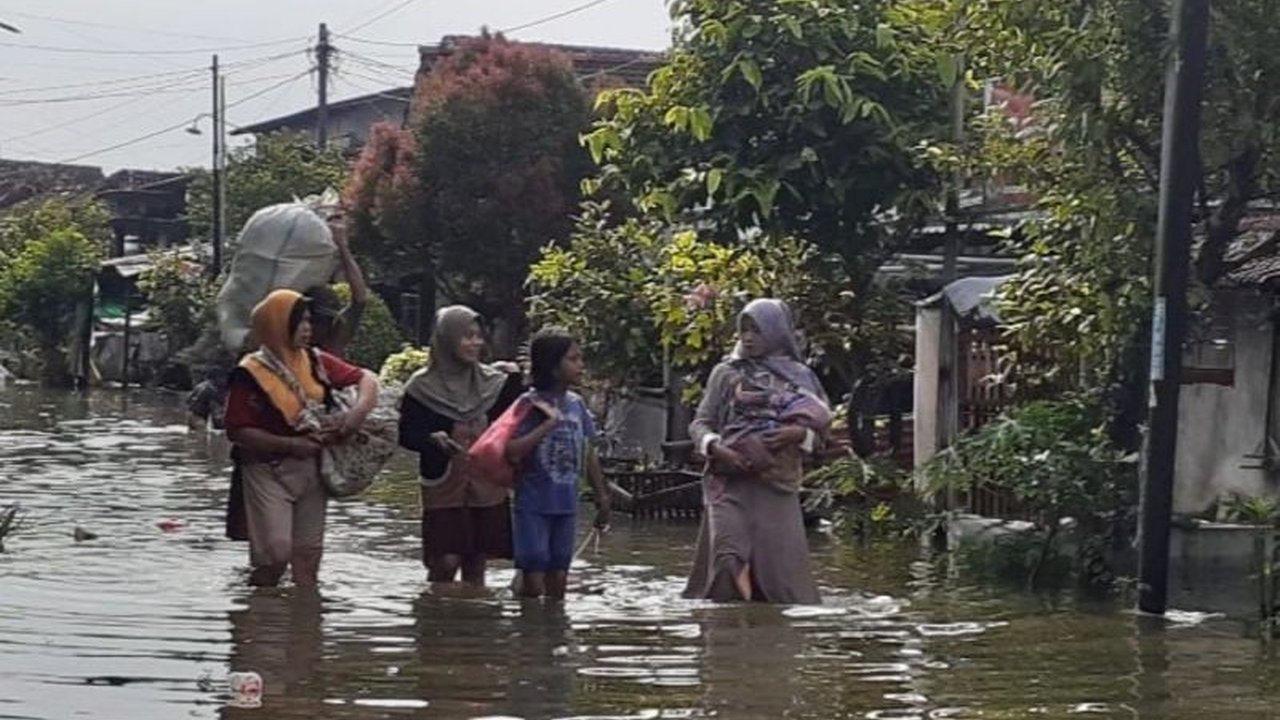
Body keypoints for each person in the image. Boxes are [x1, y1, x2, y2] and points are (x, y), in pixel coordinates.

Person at [223, 289, 379, 587]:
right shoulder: (250, 373)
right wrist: (291, 444)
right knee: (276, 554)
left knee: (308, 557)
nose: (308, 328)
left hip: (313, 467)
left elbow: (366, 379)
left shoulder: (314, 361)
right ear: (277, 324)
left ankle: (305, 627)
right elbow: (237, 430)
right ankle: (259, 616)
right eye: (300, 322)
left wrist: (354, 417)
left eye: (309, 321)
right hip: (266, 468)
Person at [684, 298, 831, 604]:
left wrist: (797, 434)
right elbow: (700, 423)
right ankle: (725, 642)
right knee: (727, 561)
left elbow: (822, 435)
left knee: (780, 584)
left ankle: (766, 643)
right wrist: (715, 446)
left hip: (776, 486)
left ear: (777, 332)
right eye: (744, 330)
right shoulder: (726, 373)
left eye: (758, 330)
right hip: (728, 484)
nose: (748, 337)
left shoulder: (801, 378)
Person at [398, 306, 524, 586]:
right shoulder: (421, 387)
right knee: (446, 560)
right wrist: (432, 439)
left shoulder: (495, 384)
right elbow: (405, 434)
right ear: (447, 339)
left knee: (477, 560)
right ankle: (435, 618)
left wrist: (516, 377)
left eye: (479, 336)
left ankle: (472, 624)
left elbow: (513, 421)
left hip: (487, 483)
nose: (475, 343)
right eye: (466, 336)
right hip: (443, 483)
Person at [504, 328, 611, 600]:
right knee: (534, 568)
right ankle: (528, 631)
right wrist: (548, 424)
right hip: (532, 504)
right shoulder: (527, 404)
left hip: (566, 504)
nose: (581, 365)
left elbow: (587, 452)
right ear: (552, 367)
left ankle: (554, 633)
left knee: (560, 573)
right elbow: (512, 451)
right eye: (573, 359)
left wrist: (602, 495)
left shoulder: (576, 405)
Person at [303, 208, 368, 357]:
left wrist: (342, 246)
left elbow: (360, 300)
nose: (311, 329)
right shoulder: (286, 346)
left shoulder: (331, 346)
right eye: (310, 321)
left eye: (324, 322)